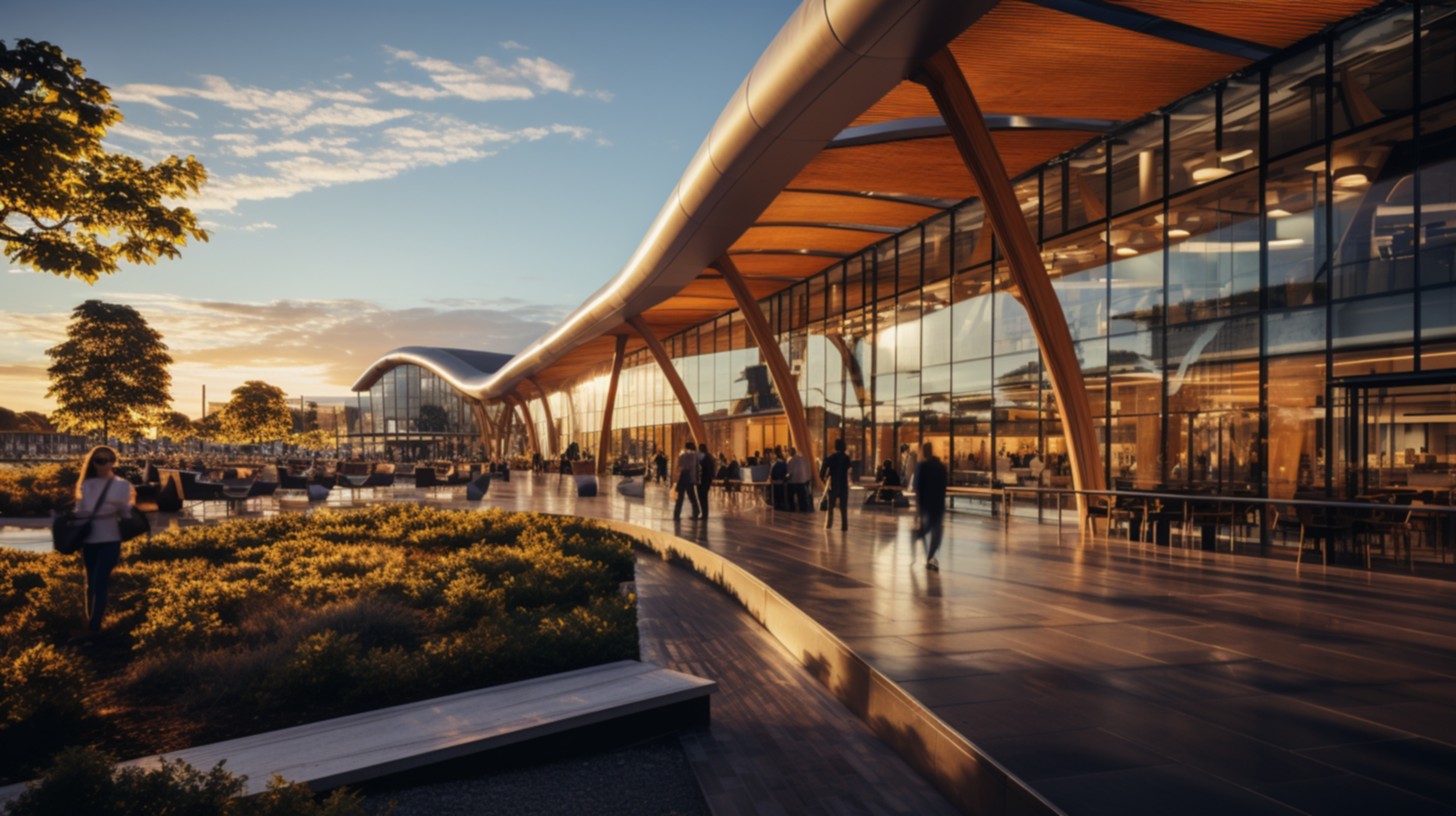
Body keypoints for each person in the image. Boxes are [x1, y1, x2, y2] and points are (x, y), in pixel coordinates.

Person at [73, 445, 136, 639]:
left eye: (109, 459)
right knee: (90, 582)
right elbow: (80, 511)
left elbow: (126, 513)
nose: (105, 463)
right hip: (90, 539)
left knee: (100, 581)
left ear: (114, 461)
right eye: (100, 460)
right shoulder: (86, 484)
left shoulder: (122, 485)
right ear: (93, 463)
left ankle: (95, 625)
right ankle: (90, 620)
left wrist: (119, 507)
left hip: (110, 539)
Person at [913, 442, 949, 571]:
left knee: (928, 527)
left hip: (926, 503)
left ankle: (918, 537)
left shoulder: (922, 466)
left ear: (924, 452)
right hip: (938, 503)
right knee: (936, 531)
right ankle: (930, 555)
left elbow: (918, 488)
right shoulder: (941, 467)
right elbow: (944, 486)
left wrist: (918, 508)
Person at [819, 438, 852, 530]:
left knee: (830, 506)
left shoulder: (831, 458)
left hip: (833, 484)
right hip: (843, 485)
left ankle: (829, 524)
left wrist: (825, 479)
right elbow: (849, 469)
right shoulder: (847, 458)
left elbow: (822, 472)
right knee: (843, 507)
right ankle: (844, 526)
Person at [674, 441, 701, 520]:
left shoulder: (682, 455)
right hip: (690, 478)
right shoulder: (695, 455)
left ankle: (676, 514)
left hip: (683, 477)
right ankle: (696, 512)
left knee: (680, 497)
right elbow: (697, 468)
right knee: (692, 496)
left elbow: (679, 465)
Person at [786, 446, 812, 512]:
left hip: (793, 481)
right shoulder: (803, 459)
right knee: (802, 497)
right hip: (802, 481)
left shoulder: (791, 461)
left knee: (790, 495)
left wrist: (786, 478)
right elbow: (807, 469)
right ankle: (803, 509)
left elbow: (790, 472)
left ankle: (792, 508)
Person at [697, 448, 715, 519]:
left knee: (702, 496)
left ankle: (704, 514)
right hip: (708, 479)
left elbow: (702, 468)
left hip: (704, 479)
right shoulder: (710, 457)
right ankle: (705, 514)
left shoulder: (704, 458)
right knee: (704, 496)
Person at [769, 446, 789, 510]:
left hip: (775, 482)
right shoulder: (783, 462)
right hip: (782, 482)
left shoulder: (775, 463)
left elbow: (772, 473)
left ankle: (777, 506)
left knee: (776, 497)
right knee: (781, 497)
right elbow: (786, 472)